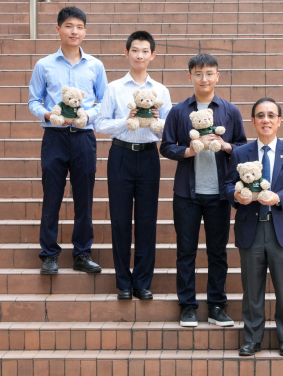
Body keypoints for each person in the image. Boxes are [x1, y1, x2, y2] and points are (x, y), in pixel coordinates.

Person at [160, 54, 247, 327]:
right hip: (187, 193)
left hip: (219, 194)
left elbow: (243, 148)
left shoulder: (230, 111)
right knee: (186, 251)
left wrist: (227, 146)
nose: (204, 78)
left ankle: (217, 306)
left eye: (209, 73)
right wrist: (186, 151)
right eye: (198, 73)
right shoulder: (179, 111)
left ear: (217, 76)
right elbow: (165, 146)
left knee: (217, 252)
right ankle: (187, 305)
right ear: (190, 77)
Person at [224, 98, 283, 357]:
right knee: (251, 287)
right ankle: (252, 338)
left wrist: (278, 198)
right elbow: (228, 186)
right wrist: (236, 197)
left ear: (279, 121)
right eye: (260, 115)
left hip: (281, 228)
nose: (266, 120)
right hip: (251, 227)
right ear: (253, 121)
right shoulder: (240, 153)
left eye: (271, 115)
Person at [28, 6, 107, 275]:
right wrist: (48, 114)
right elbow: (33, 100)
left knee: (84, 197)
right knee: (52, 195)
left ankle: (82, 253)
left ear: (85, 31)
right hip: (54, 137)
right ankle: (49, 254)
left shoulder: (95, 65)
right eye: (69, 26)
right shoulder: (44, 65)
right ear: (58, 28)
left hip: (84, 137)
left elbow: (103, 102)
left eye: (79, 27)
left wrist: (89, 115)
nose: (74, 31)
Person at [95, 31, 171, 300]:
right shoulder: (114, 87)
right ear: (126, 53)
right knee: (120, 220)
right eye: (135, 50)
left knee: (147, 220)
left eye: (145, 51)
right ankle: (123, 282)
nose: (139, 55)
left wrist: (159, 121)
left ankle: (142, 281)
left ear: (153, 55)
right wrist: (125, 120)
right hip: (121, 156)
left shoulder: (161, 91)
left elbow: (168, 133)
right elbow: (100, 124)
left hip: (149, 156)